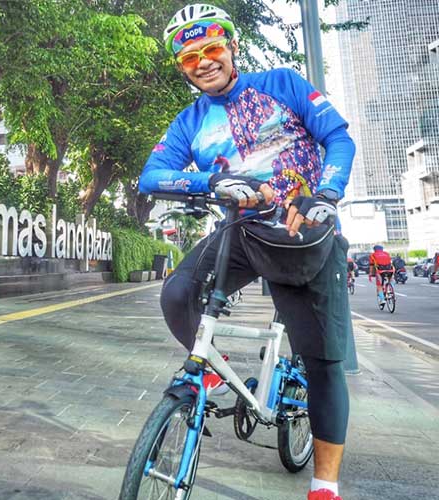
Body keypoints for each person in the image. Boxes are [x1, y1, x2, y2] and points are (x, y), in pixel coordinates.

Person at [138, 5, 355, 500]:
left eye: (211, 49)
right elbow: (152, 177)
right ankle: (214, 370)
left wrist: (326, 193)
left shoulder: (281, 83)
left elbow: (338, 137)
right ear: (181, 66)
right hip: (242, 233)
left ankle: (325, 485)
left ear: (231, 47)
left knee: (322, 363)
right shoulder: (189, 120)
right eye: (189, 56)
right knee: (176, 295)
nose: (203, 62)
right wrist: (211, 179)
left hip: (305, 235)